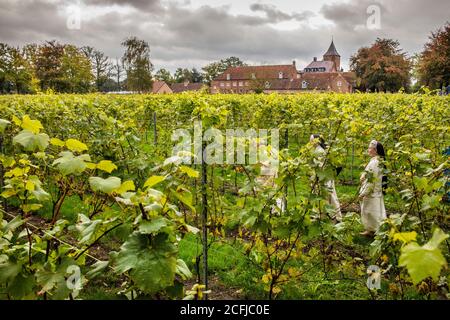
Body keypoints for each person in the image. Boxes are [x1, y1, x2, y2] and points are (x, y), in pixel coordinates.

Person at [309, 134, 342, 222]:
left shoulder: (319, 151)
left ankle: (337, 216)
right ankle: (320, 215)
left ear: (317, 141)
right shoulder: (317, 150)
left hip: (324, 178)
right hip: (321, 177)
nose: (310, 142)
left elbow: (320, 166)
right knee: (319, 196)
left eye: (311, 140)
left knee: (330, 196)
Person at [359, 140, 387, 237]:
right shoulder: (376, 160)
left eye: (370, 148)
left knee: (372, 213)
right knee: (370, 211)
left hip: (371, 192)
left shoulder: (375, 162)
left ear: (375, 150)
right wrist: (363, 175)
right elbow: (369, 173)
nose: (368, 150)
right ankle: (370, 230)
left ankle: (378, 231)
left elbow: (372, 180)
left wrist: (364, 192)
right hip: (374, 191)